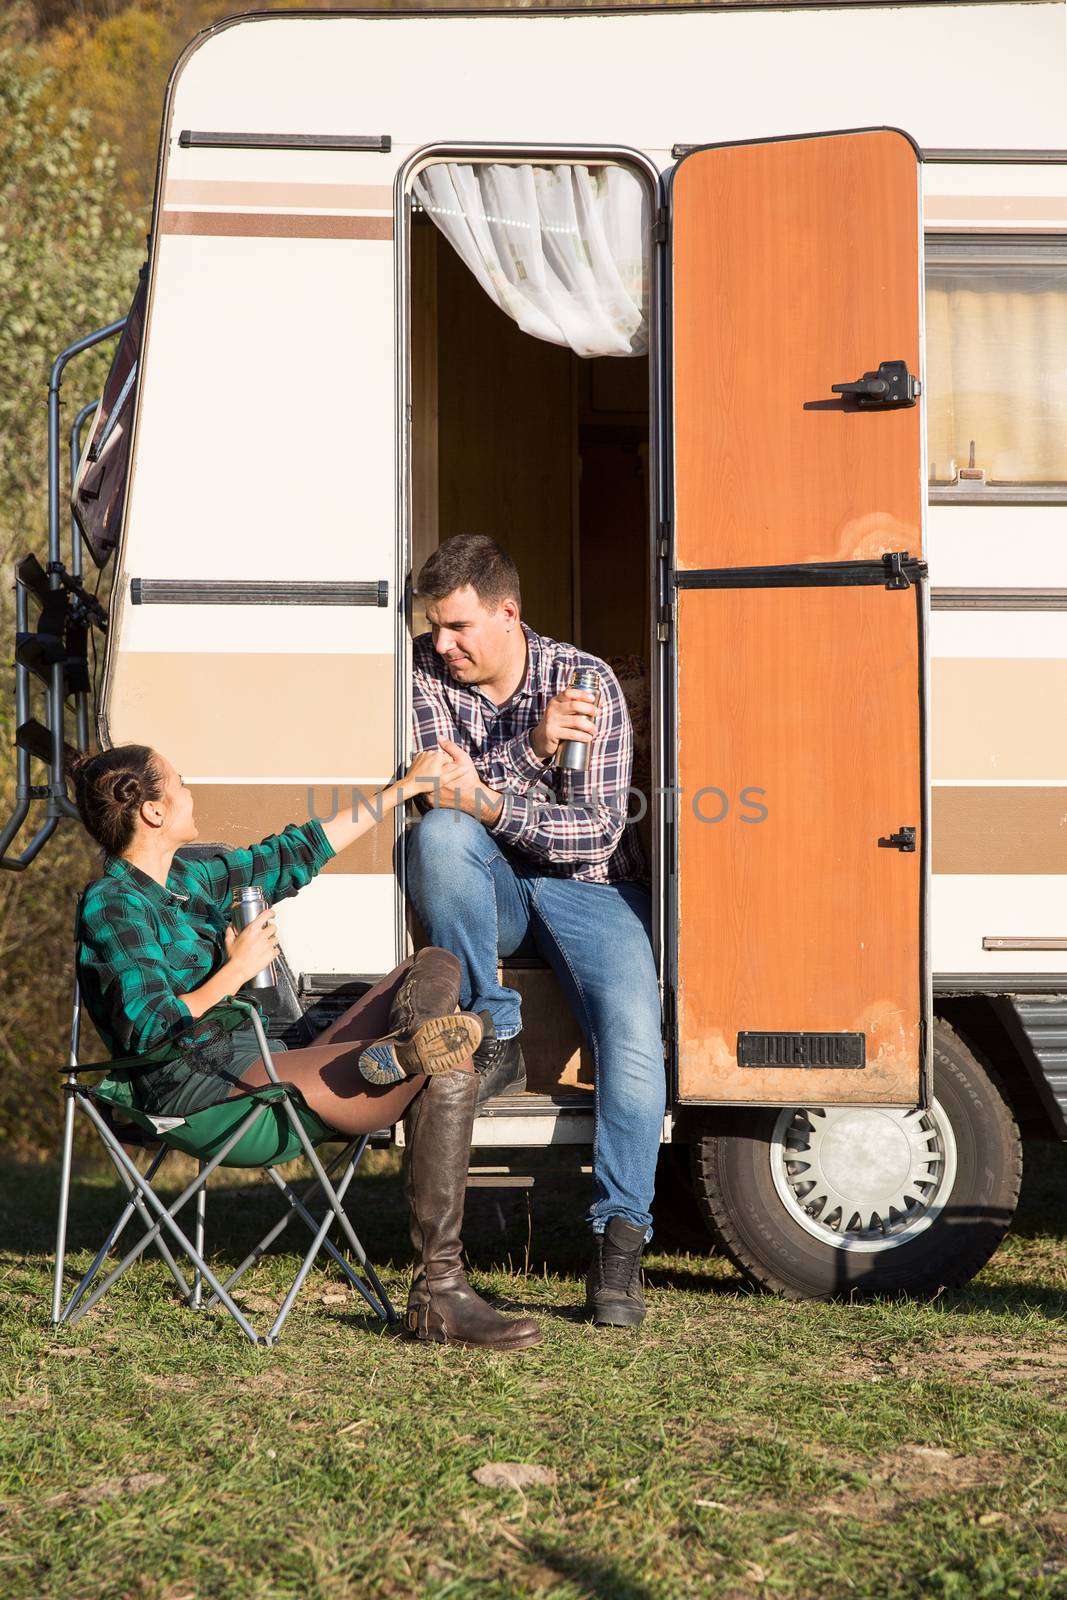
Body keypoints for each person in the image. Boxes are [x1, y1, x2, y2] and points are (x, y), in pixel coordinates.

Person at [72, 743, 540, 1351]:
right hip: (209, 1094)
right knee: (450, 1075)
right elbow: (150, 1027)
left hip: (268, 1063)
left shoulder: (189, 877)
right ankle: (439, 1293)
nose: (191, 792)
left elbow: (294, 853)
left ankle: (403, 1051)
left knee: (434, 962)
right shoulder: (112, 904)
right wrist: (235, 973)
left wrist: (403, 791)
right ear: (153, 812)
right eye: (180, 783)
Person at [406, 534, 664, 1328]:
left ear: (507, 612)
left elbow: (593, 834)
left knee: (629, 1032)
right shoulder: (418, 671)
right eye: (435, 627)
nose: (442, 645)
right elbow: (439, 806)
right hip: (492, 880)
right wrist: (533, 747)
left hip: (589, 886)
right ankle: (497, 1027)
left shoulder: (583, 681)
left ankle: (619, 1244)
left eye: (458, 627)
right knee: (436, 841)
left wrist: (490, 797)